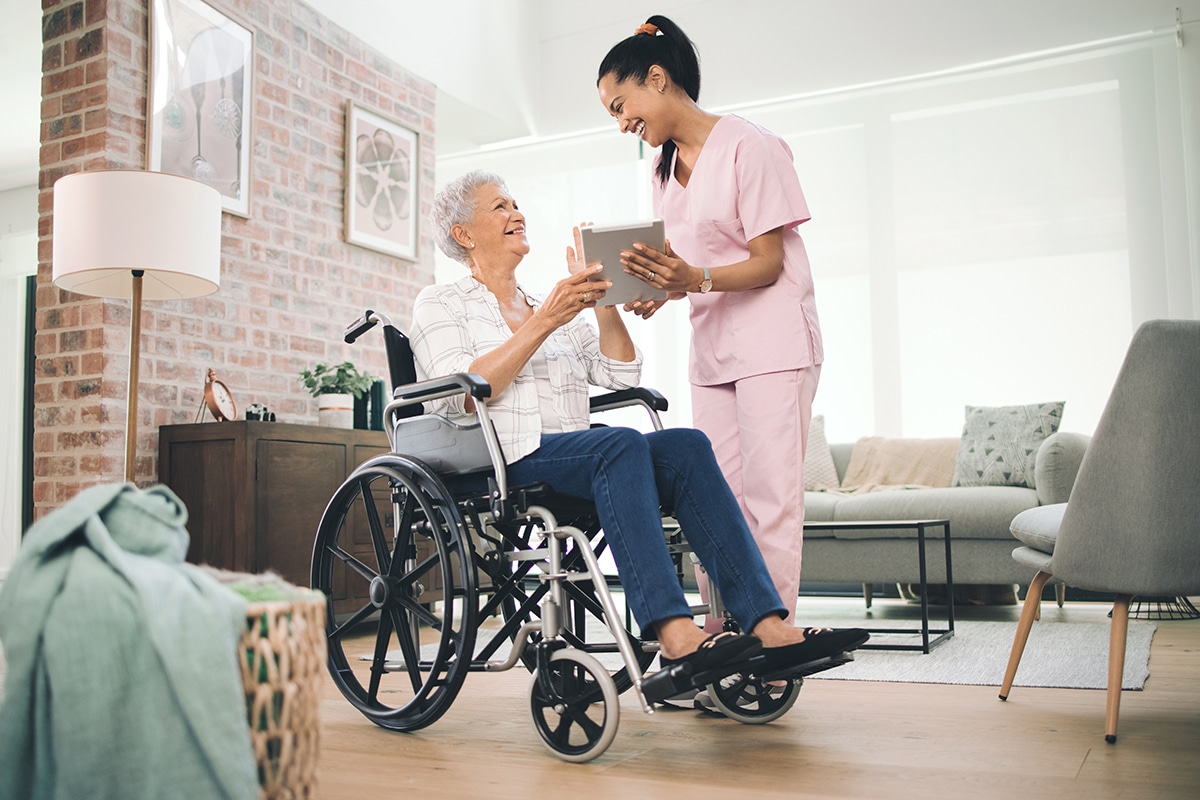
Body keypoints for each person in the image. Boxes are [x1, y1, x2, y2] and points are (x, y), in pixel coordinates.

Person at [410, 169, 865, 678]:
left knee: (685, 446)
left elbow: (620, 370)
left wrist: (601, 301)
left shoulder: (545, 303)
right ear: (464, 234)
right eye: (499, 206)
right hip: (502, 457)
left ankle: (765, 622)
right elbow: (462, 396)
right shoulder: (440, 303)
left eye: (516, 203)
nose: (517, 213)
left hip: (574, 454)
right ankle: (673, 634)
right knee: (620, 444)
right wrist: (546, 323)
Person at [597, 16, 822, 630]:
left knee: (771, 503)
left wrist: (688, 280)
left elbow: (768, 262)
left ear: (658, 78)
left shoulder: (752, 146)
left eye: (622, 105)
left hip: (774, 343)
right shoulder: (662, 169)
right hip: (714, 350)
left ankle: (771, 648)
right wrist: (657, 290)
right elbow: (687, 263)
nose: (622, 124)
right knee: (713, 503)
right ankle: (724, 637)